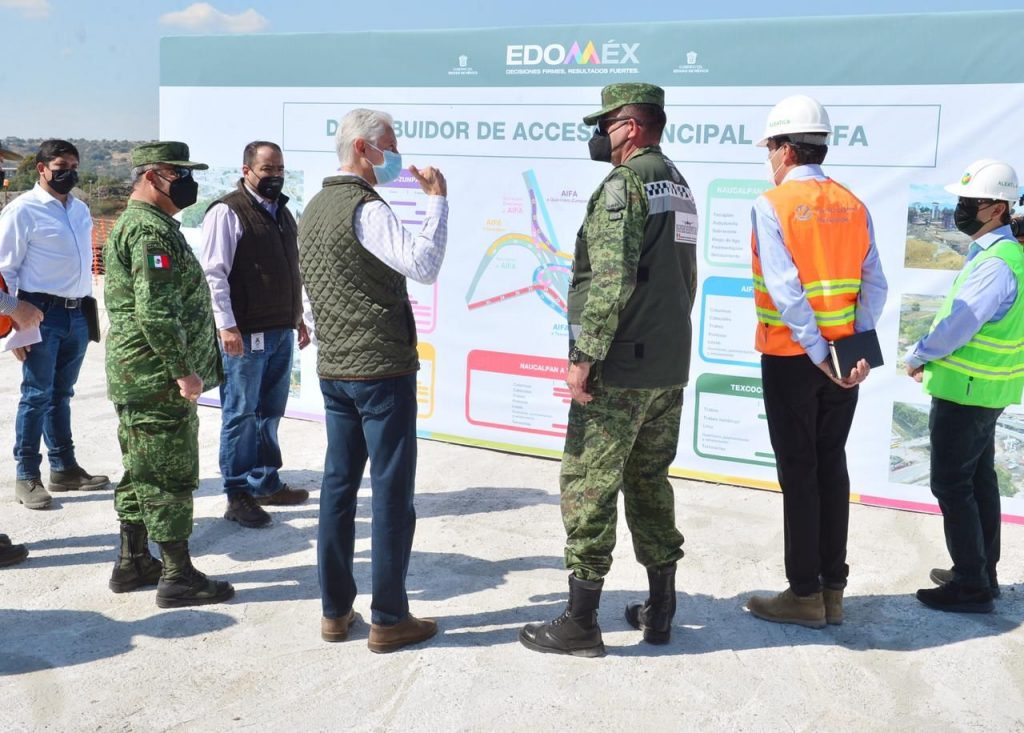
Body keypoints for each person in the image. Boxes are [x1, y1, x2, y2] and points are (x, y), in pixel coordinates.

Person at [519, 83, 698, 657]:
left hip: (621, 368)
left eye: (606, 124)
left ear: (632, 126)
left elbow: (611, 278)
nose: (600, 135)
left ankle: (580, 623)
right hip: (666, 365)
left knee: (588, 487)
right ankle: (660, 610)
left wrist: (585, 356)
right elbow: (684, 279)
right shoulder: (678, 182)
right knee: (649, 483)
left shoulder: (625, 184)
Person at [299, 108, 447, 652]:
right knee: (390, 494)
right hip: (382, 371)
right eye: (391, 145)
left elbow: (311, 292)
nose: (397, 156)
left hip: (336, 369)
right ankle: (388, 618)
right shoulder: (365, 208)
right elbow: (423, 264)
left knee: (338, 489)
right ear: (362, 148)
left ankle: (335, 612)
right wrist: (437, 201)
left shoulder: (313, 208)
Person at [744, 95, 887, 629]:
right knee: (831, 464)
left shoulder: (772, 204)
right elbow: (874, 285)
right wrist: (852, 350)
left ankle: (804, 595)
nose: (769, 158)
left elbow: (786, 291)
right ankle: (833, 592)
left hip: (793, 357)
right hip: (845, 361)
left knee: (799, 472)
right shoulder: (853, 204)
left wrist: (817, 352)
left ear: (785, 149)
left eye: (770, 148)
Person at [103, 141, 233, 607]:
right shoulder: (148, 231)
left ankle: (133, 561)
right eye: (179, 174)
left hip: (141, 374)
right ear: (151, 176)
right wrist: (184, 372)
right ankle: (177, 575)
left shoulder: (148, 224)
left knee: (142, 467)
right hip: (157, 377)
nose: (188, 183)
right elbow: (155, 312)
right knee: (168, 474)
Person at [906, 159, 1024, 614]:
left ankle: (971, 585)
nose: (961, 209)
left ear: (997, 208)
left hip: (967, 391)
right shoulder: (1004, 255)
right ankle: (980, 571)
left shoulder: (996, 263)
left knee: (952, 484)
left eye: (969, 202)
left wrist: (920, 354)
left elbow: (961, 323)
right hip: (984, 391)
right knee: (978, 480)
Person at [201, 141, 310, 530]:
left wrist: (298, 316)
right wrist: (226, 325)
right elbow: (214, 274)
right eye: (267, 169)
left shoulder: (282, 211)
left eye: (279, 169)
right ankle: (237, 493)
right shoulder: (228, 211)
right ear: (247, 170)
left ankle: (265, 482)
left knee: (269, 411)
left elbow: (291, 270)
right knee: (241, 413)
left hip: (280, 329)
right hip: (245, 335)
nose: (275, 176)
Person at [0, 139, 110, 511]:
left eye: (74, 167)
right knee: (36, 396)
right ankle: (27, 475)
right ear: (42, 169)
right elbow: (4, 271)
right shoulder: (22, 210)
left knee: (61, 395)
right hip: (38, 312)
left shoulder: (80, 209)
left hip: (78, 313)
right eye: (61, 167)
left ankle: (64, 469)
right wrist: (14, 323)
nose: (69, 174)